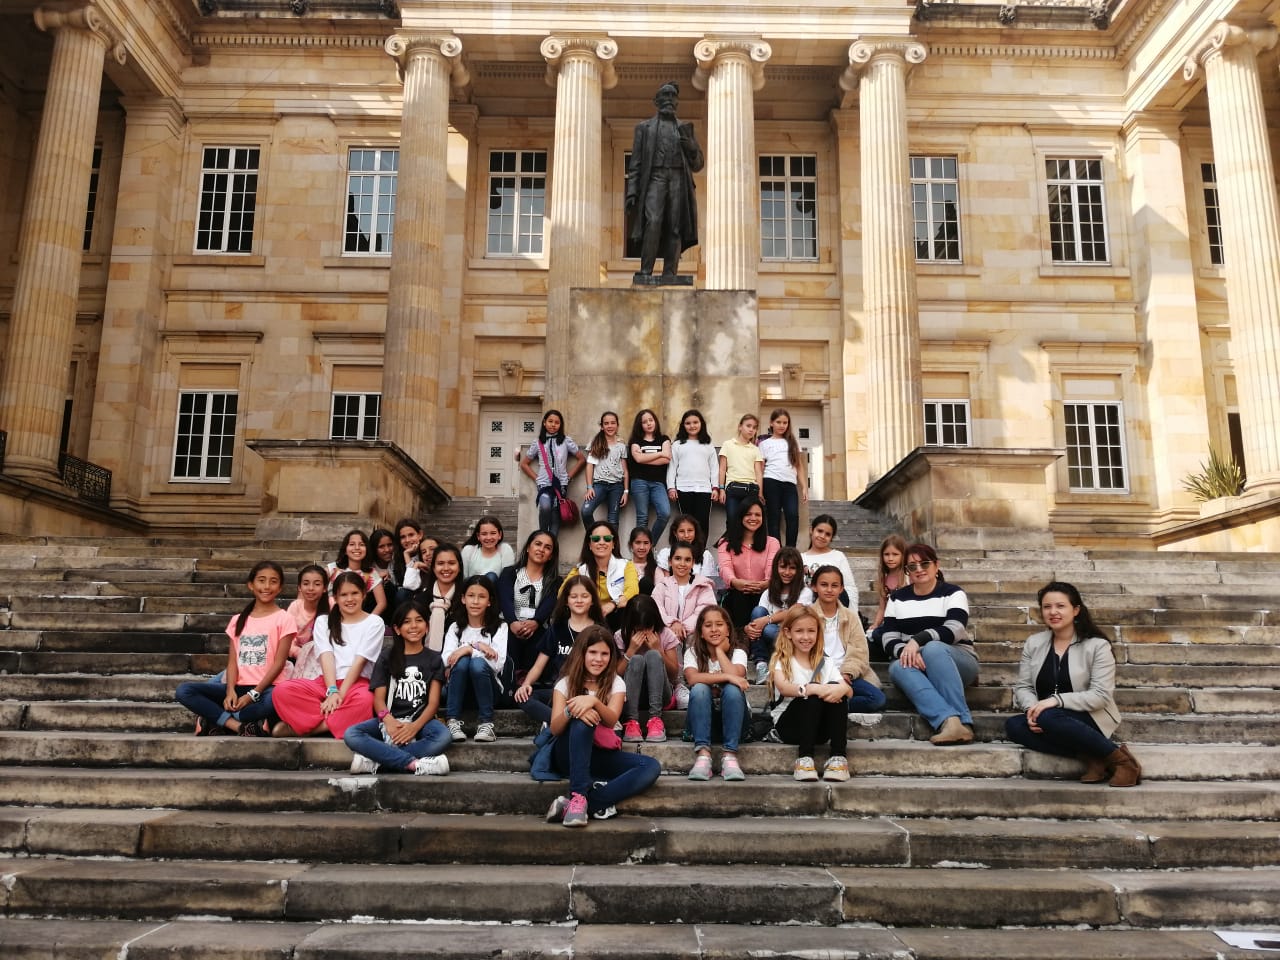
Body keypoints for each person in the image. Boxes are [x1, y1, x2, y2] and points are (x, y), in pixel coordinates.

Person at [1006, 582, 1140, 787]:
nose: (1053, 612)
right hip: (1048, 716)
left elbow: (1100, 696)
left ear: (1075, 610)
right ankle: (1093, 756)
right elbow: (1024, 687)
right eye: (1047, 607)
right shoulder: (1034, 643)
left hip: (1090, 716)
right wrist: (1032, 709)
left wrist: (1054, 701)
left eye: (1060, 606)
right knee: (1014, 725)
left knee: (1049, 716)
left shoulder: (1097, 645)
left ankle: (1123, 761)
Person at [545, 626, 663, 827]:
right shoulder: (564, 683)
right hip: (568, 753)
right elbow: (555, 729)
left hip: (599, 753)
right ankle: (579, 795)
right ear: (581, 653)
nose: (598, 659)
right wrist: (571, 710)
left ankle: (580, 805)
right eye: (592, 652)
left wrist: (594, 702)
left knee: (651, 766)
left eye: (604, 654)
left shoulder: (615, 682)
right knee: (583, 719)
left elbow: (611, 719)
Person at [177, 561, 295, 737]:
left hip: (266, 690)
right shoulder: (238, 620)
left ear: (280, 587)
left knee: (280, 697)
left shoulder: (284, 619)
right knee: (184, 691)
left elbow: (279, 663)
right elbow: (233, 662)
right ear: (251, 585)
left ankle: (218, 718)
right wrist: (230, 690)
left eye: (273, 581)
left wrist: (252, 695)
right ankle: (237, 726)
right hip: (238, 687)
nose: (267, 586)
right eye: (261, 580)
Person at [880, 543, 978, 746]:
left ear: (936, 565)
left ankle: (962, 718)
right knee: (897, 667)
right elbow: (888, 637)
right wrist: (905, 651)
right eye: (912, 566)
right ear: (907, 571)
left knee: (934, 649)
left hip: (958, 662)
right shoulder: (897, 598)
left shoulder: (953, 593)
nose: (919, 570)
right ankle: (949, 721)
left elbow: (954, 628)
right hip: (915, 662)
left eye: (924, 563)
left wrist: (917, 642)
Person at [344, 599, 451, 776]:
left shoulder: (434, 659)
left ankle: (378, 762)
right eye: (407, 622)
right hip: (389, 721)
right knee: (352, 734)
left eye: (419, 620)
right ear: (397, 629)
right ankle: (415, 764)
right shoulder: (387, 658)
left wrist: (414, 727)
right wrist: (389, 721)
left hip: (420, 721)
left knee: (444, 736)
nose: (414, 626)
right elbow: (378, 699)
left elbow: (433, 703)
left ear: (427, 626)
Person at [271, 571, 384, 739]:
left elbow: (360, 661)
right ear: (336, 598)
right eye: (343, 595)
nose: (349, 599)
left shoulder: (374, 622)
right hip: (325, 682)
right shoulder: (324, 622)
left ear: (364, 595)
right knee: (282, 691)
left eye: (354, 593)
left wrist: (340, 694)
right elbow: (326, 656)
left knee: (365, 701)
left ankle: (310, 729)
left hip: (357, 683)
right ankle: (338, 721)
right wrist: (332, 691)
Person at [624, 81, 704, 283]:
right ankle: (645, 271)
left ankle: (670, 272)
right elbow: (635, 163)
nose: (669, 100)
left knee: (675, 226)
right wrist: (632, 191)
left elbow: (698, 165)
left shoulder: (685, 129)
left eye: (673, 96)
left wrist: (691, 147)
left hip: (678, 178)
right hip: (655, 178)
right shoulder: (644, 128)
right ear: (656, 101)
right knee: (654, 221)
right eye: (665, 96)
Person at [767, 606, 853, 782]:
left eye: (811, 631)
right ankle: (804, 759)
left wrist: (841, 689)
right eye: (799, 631)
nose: (806, 637)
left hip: (819, 730)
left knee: (837, 692)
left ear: (817, 633)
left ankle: (838, 758)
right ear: (788, 633)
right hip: (789, 727)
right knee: (813, 694)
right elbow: (783, 687)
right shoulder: (782, 660)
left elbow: (848, 690)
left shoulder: (824, 662)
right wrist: (809, 689)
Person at [516, 574, 605, 727]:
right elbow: (539, 665)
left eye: (584, 596)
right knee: (524, 697)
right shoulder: (556, 629)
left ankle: (558, 722)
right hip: (561, 691)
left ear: (592, 601)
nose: (579, 600)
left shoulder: (599, 630)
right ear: (566, 601)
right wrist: (527, 683)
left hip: (590, 692)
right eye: (574, 596)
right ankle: (565, 720)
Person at [809, 565, 886, 723]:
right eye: (824, 585)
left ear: (841, 589)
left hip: (846, 675)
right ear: (814, 587)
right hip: (817, 675)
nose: (829, 589)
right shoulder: (807, 615)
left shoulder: (850, 617)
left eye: (834, 585)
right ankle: (830, 703)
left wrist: (847, 674)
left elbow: (859, 650)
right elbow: (801, 649)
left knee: (877, 699)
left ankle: (832, 704)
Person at [683, 606, 749, 782]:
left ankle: (730, 756)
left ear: (728, 628)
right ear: (701, 632)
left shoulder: (738, 652)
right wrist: (726, 676)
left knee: (733, 690)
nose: (714, 629)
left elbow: (738, 676)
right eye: (708, 625)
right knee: (699, 688)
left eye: (719, 624)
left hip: (735, 725)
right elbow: (692, 678)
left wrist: (720, 652)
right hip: (701, 725)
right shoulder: (692, 653)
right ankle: (703, 756)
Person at [442, 575, 510, 744]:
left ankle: (486, 724)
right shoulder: (456, 627)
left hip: (489, 690)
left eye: (482, 596)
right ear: (463, 599)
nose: (475, 601)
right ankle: (452, 721)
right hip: (460, 691)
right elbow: (446, 659)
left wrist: (468, 649)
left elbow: (497, 663)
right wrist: (477, 648)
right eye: (471, 596)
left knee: (477, 664)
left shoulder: (500, 627)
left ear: (489, 601)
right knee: (464, 662)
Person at [496, 530, 562, 675]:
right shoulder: (509, 573)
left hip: (538, 628)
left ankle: (530, 682)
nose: (541, 549)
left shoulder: (555, 581)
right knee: (507, 637)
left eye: (547, 547)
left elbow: (549, 604)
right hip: (509, 625)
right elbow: (505, 599)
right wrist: (512, 622)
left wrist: (536, 622)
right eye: (538, 544)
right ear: (528, 547)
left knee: (541, 637)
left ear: (551, 555)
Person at [615, 595, 679, 744]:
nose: (644, 633)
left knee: (652, 655)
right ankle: (632, 722)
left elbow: (674, 674)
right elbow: (616, 675)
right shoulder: (620, 636)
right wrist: (630, 651)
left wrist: (659, 651)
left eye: (648, 628)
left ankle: (655, 719)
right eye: (638, 629)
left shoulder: (665, 634)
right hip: (630, 696)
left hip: (661, 695)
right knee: (636, 659)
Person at [745, 546, 813, 685]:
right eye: (783, 567)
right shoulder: (768, 592)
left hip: (791, 639)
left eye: (792, 568)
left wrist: (768, 619)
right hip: (767, 640)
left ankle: (768, 661)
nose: (787, 572)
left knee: (768, 629)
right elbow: (758, 619)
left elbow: (794, 611)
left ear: (799, 570)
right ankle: (761, 664)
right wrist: (749, 628)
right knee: (757, 611)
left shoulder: (805, 592)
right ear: (776, 567)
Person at [716, 496, 779, 630]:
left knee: (761, 599)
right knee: (740, 597)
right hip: (736, 594)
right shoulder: (725, 543)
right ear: (741, 516)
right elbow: (725, 568)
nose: (753, 518)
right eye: (748, 514)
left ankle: (756, 642)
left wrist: (766, 583)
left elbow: (771, 568)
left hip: (765, 593)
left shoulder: (772, 543)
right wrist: (736, 582)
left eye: (757, 514)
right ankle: (741, 640)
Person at [520, 409, 586, 538]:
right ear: (544, 422)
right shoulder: (537, 442)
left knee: (556, 515)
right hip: (544, 484)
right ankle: (543, 537)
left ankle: (552, 546)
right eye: (550, 421)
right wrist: (537, 478)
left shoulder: (566, 441)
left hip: (560, 485)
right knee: (545, 507)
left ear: (560, 425)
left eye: (557, 422)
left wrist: (569, 476)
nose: (553, 424)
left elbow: (582, 459)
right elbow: (524, 464)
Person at [574, 520, 639, 629]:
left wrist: (613, 604)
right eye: (596, 539)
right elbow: (563, 593)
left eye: (607, 539)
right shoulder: (580, 569)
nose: (601, 542)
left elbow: (632, 589)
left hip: (618, 616)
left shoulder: (626, 565)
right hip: (590, 616)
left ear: (613, 544)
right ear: (589, 545)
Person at [651, 543, 717, 650]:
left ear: (693, 563)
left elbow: (705, 612)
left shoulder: (703, 585)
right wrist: (673, 623)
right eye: (677, 558)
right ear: (670, 561)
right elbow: (656, 609)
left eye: (687, 560)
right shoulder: (662, 586)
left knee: (695, 641)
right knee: (669, 639)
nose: (682, 563)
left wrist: (683, 627)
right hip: (668, 632)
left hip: (695, 634)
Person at [758, 408, 808, 547]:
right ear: (771, 423)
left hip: (789, 485)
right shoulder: (764, 444)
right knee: (773, 518)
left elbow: (799, 466)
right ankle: (776, 550)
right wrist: (760, 490)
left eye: (785, 422)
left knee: (792, 516)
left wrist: (804, 487)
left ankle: (790, 549)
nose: (782, 425)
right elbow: (760, 469)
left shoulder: (793, 442)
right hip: (771, 482)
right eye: (778, 422)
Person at [666, 409, 721, 534]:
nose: (692, 426)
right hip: (683, 488)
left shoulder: (708, 444)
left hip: (705, 489)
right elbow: (672, 467)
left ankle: (699, 552)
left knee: (702, 523)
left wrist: (715, 487)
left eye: (695, 422)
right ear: (683, 426)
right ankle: (687, 551)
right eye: (688, 423)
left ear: (701, 423)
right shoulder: (678, 444)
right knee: (686, 524)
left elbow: (714, 468)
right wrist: (671, 487)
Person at [628, 409, 672, 542]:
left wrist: (645, 457)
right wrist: (659, 454)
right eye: (644, 422)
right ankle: (639, 552)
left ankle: (649, 545)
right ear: (639, 425)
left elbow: (666, 459)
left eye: (651, 420)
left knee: (665, 513)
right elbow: (638, 459)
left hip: (658, 483)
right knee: (642, 518)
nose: (648, 424)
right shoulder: (636, 441)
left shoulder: (664, 439)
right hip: (639, 482)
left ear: (655, 421)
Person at [325, 529, 388, 617]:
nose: (357, 548)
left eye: (361, 544)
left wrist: (368, 621)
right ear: (345, 550)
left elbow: (382, 603)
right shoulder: (333, 568)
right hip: (330, 616)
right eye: (352, 544)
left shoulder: (371, 573)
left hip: (356, 617)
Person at [582, 411, 629, 528]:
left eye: (613, 423)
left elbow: (625, 471)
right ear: (602, 426)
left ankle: (613, 546)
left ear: (617, 425)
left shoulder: (621, 446)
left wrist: (626, 491)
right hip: (599, 485)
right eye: (606, 423)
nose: (610, 426)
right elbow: (589, 466)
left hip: (617, 487)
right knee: (586, 511)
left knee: (613, 521)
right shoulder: (596, 443)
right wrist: (589, 487)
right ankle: (594, 537)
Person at [284, 563, 329, 680]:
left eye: (317, 584)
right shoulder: (295, 607)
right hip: (297, 656)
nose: (311, 588)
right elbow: (288, 639)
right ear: (299, 587)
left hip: (325, 657)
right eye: (306, 583)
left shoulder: (332, 605)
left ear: (325, 587)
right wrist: (300, 653)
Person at [718, 413, 764, 527]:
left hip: (751, 490)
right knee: (732, 520)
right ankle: (730, 545)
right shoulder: (728, 444)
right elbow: (722, 469)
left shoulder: (755, 449)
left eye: (754, 427)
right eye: (748, 426)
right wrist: (721, 489)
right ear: (740, 426)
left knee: (748, 524)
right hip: (733, 489)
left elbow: (758, 472)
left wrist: (760, 493)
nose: (751, 430)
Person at [801, 514, 856, 609]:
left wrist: (852, 616)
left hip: (834, 611)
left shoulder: (838, 556)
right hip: (806, 613)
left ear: (831, 538)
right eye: (819, 531)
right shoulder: (800, 558)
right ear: (811, 530)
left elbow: (849, 588)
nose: (822, 536)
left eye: (827, 534)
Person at [655, 513, 720, 588]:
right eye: (681, 531)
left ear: (695, 532)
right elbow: (663, 586)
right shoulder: (665, 554)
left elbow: (707, 584)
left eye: (690, 530)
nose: (686, 535)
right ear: (675, 533)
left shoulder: (705, 555)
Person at [868, 534, 909, 639]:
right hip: (890, 624)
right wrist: (875, 624)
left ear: (903, 555)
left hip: (908, 621)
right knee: (874, 635)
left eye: (895, 554)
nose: (890, 558)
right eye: (886, 554)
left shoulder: (908, 577)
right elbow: (882, 608)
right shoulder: (883, 579)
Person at [425, 543, 463, 653]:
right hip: (425, 659)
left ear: (459, 567)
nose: (446, 568)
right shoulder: (422, 599)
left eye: (451, 563)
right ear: (433, 567)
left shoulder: (465, 598)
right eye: (440, 563)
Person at [391, 518, 431, 607]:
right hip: (408, 597)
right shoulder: (397, 557)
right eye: (403, 537)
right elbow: (409, 585)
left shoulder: (428, 552)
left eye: (411, 535)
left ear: (420, 534)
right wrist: (406, 555)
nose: (407, 540)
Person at [461, 515, 515, 581]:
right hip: (473, 589)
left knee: (491, 576)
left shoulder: (505, 549)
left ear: (500, 535)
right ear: (478, 536)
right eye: (484, 534)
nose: (488, 538)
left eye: (493, 533)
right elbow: (463, 578)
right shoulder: (468, 550)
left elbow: (507, 579)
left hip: (495, 589)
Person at [628, 526, 658, 596]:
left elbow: (659, 595)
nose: (642, 547)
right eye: (638, 542)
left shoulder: (656, 569)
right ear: (631, 545)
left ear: (651, 545)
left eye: (646, 543)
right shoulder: (623, 566)